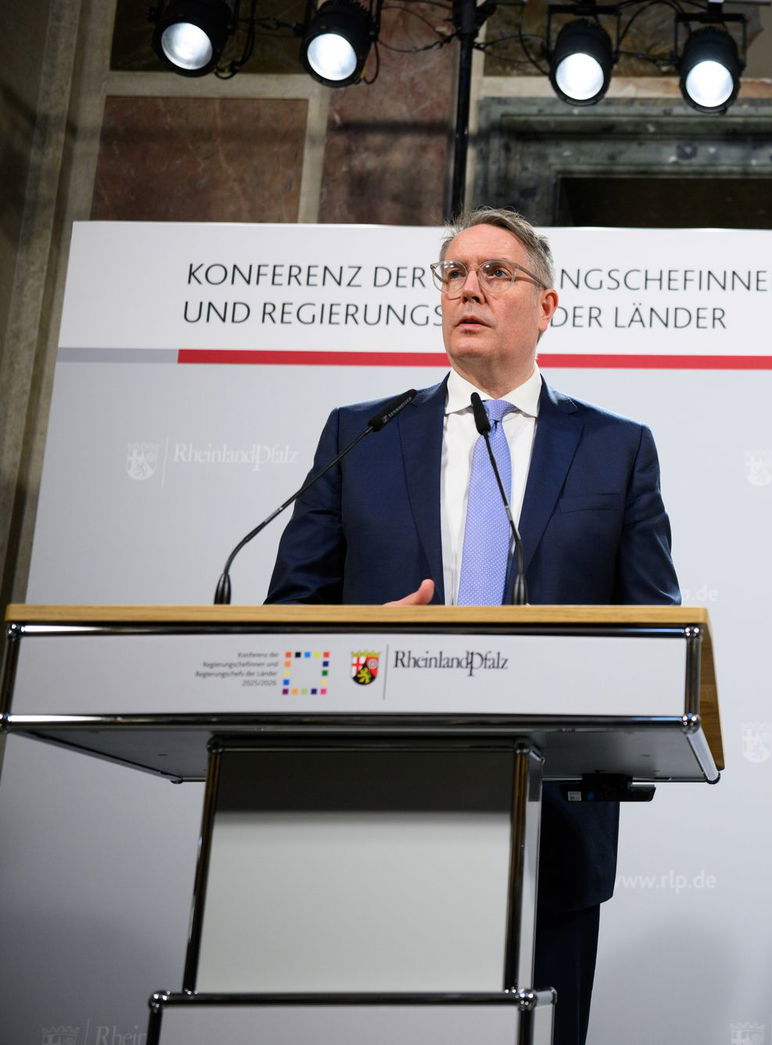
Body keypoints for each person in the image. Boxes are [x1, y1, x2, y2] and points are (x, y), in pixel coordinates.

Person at [268, 207, 678, 1045]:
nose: (470, 288)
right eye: (454, 272)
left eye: (496, 272)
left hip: (551, 829)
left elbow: (654, 640)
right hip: (380, 814)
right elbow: (287, 621)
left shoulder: (616, 449)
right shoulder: (362, 437)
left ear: (548, 306)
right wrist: (361, 638)